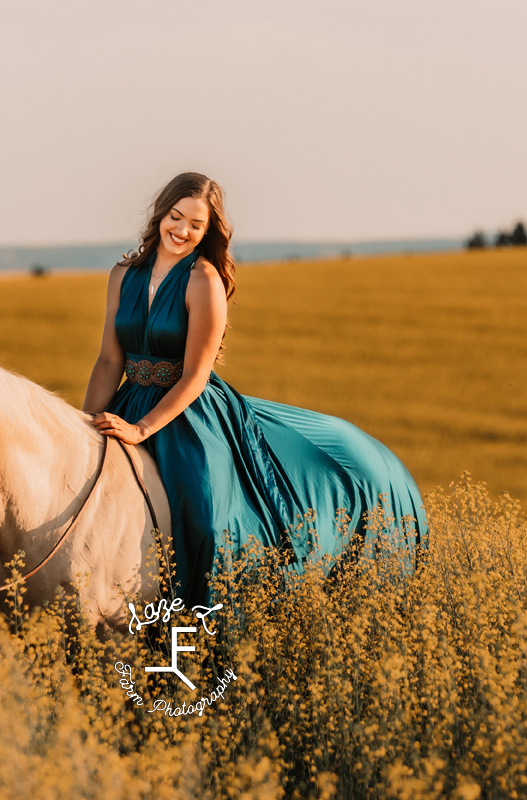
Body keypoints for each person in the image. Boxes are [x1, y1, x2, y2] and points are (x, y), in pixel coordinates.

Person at [83, 172, 427, 605]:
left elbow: (195, 376)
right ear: (160, 214)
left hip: (187, 413)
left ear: (208, 232)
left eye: (196, 225)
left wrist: (140, 430)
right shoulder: (122, 274)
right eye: (176, 217)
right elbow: (110, 361)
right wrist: (84, 424)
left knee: (207, 525)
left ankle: (206, 634)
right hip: (128, 399)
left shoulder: (203, 280)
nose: (182, 231)